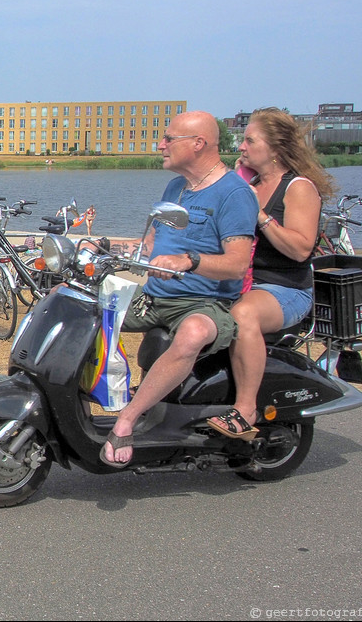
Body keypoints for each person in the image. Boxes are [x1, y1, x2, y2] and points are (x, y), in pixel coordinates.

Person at [100, 111, 258, 468]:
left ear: (198, 144)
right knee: (80, 303)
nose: (161, 145)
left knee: (193, 334)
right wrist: (106, 248)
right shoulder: (177, 187)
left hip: (206, 302)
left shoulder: (235, 193)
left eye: (169, 139)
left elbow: (237, 263)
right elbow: (153, 243)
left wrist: (189, 261)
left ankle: (127, 419)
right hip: (156, 297)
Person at [207, 108, 333, 440]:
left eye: (250, 140)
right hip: (244, 282)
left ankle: (246, 409)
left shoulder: (298, 188)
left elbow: (301, 249)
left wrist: (259, 212)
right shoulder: (248, 184)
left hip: (286, 288)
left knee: (243, 314)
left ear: (275, 149)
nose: (242, 147)